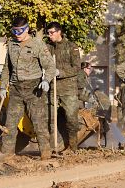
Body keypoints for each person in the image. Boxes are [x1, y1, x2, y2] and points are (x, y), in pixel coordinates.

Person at [0, 16, 56, 160]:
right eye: (14, 31)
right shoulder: (11, 44)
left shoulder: (38, 44)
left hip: (34, 89)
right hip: (16, 89)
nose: (17, 34)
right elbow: (7, 68)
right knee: (10, 125)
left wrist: (46, 80)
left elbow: (50, 66)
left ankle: (45, 154)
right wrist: (2, 86)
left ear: (27, 29)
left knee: (39, 123)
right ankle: (6, 155)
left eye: (20, 31)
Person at [46, 22, 81, 152]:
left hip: (68, 89)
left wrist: (61, 72)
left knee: (71, 119)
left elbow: (77, 68)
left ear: (59, 32)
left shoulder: (71, 47)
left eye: (51, 33)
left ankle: (72, 148)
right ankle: (53, 148)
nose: (49, 35)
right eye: (48, 33)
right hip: (52, 89)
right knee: (51, 119)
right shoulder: (47, 47)